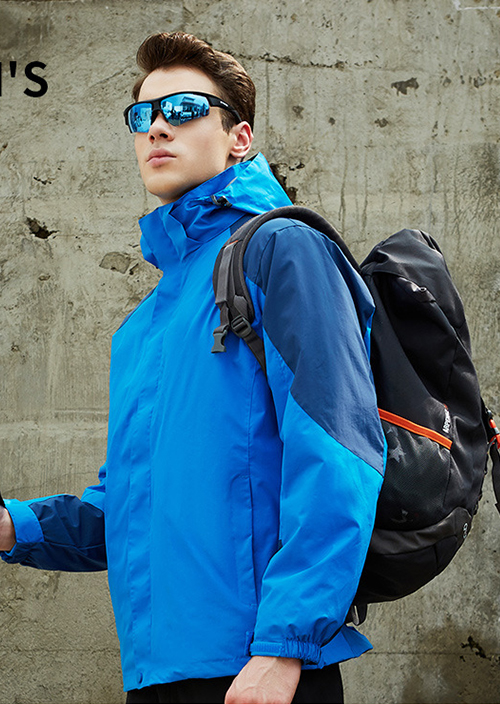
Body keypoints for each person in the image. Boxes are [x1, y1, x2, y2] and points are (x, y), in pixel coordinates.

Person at [0, 31, 386, 704]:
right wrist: (15, 526)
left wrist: (285, 647)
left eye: (182, 109)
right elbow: (132, 506)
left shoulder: (282, 250)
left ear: (239, 137)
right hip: (157, 673)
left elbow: (338, 453)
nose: (157, 127)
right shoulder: (144, 327)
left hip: (259, 668)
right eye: (142, 115)